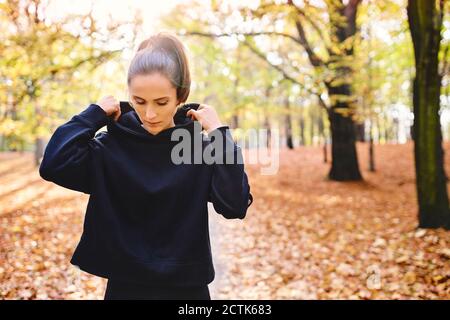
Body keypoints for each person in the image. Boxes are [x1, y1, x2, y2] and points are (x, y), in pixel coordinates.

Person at [39, 31, 253, 300]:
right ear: (129, 95)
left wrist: (220, 133)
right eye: (139, 101)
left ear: (180, 96)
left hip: (188, 292)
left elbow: (234, 205)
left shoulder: (198, 149)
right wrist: (93, 114)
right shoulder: (111, 147)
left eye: (161, 102)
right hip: (125, 289)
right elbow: (53, 164)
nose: (150, 114)